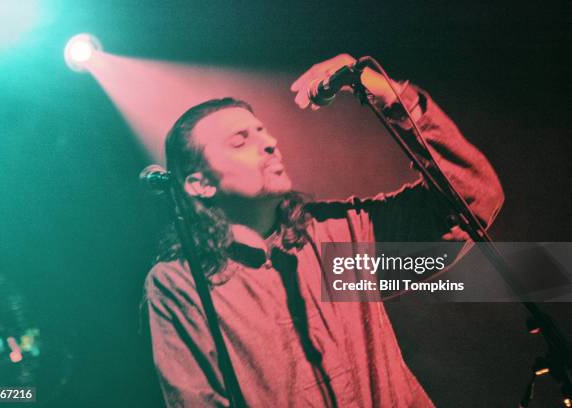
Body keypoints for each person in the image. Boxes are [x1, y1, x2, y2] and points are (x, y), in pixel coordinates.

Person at [144, 54, 504, 407]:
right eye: (240, 141)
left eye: (262, 132)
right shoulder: (179, 283)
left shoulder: (342, 235)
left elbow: (472, 200)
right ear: (199, 184)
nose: (269, 143)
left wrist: (395, 99)